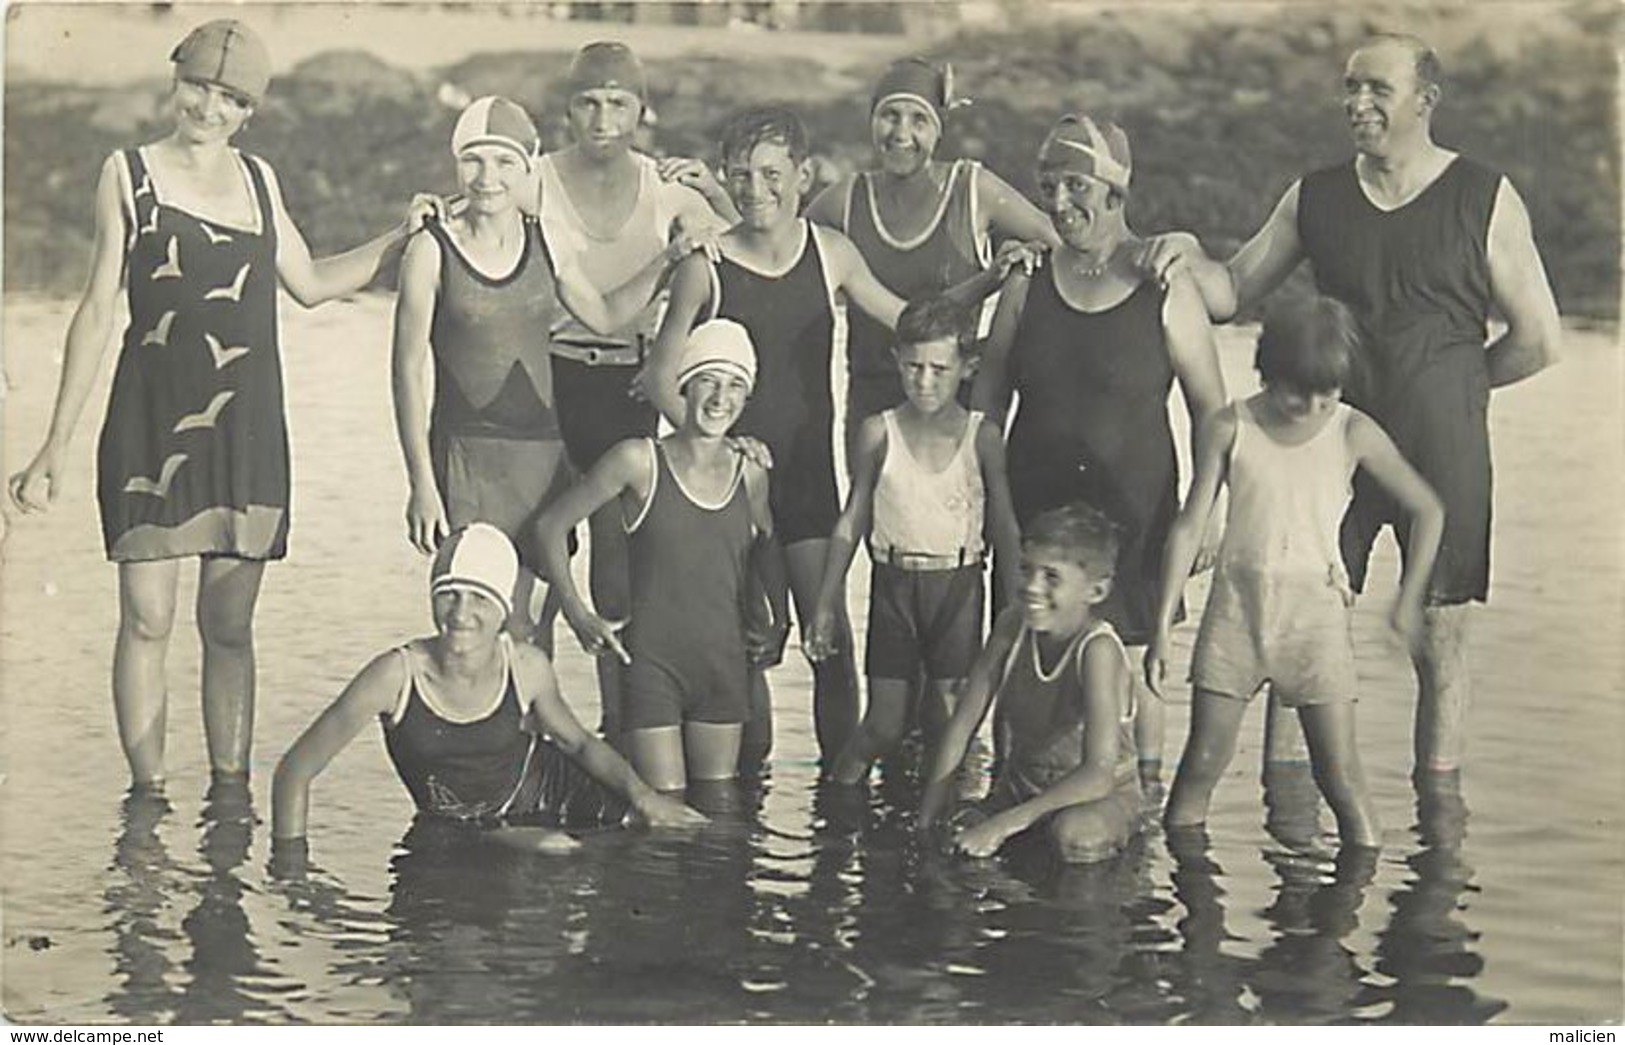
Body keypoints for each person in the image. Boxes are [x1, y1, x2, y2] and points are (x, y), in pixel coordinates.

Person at [6, 20, 442, 791]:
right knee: (146, 620)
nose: (209, 107)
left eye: (230, 98)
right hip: (147, 427)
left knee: (230, 627)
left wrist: (400, 237)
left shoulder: (259, 181)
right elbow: (97, 311)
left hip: (243, 430)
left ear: (250, 112)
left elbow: (309, 285)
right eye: (198, 87)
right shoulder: (126, 174)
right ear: (174, 82)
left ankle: (230, 797)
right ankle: (146, 801)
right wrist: (54, 446)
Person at [1139, 34, 1562, 780]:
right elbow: (1232, 290)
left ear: (1425, 103)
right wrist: (1181, 245)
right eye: (1348, 88)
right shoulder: (1316, 196)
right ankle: (1290, 846)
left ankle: (1436, 832)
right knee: (1298, 625)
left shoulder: (1484, 198)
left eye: (1375, 89)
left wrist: (1455, 388)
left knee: (1441, 641)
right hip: (1323, 447)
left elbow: (1537, 339)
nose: (1355, 104)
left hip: (1443, 451)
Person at [391, 95, 712, 644]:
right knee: (469, 624)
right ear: (455, 164)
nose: (487, 177)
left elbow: (607, 316)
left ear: (527, 166)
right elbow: (406, 371)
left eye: (504, 162)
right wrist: (421, 481)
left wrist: (672, 259)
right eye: (473, 160)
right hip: (465, 456)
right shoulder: (431, 248)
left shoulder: (547, 239)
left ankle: (538, 732)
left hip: (541, 456)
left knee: (533, 629)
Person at [972, 113, 1227, 792]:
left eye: (1075, 185)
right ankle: (1012, 797)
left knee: (1139, 676)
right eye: (1048, 185)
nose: (1058, 202)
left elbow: (1214, 415)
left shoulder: (1165, 284)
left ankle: (1136, 812)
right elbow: (987, 405)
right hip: (1034, 512)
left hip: (1135, 516)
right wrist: (995, 508)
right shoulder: (1027, 281)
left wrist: (1207, 512)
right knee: (1023, 660)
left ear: (1116, 192)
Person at [1144, 295, 1445, 849]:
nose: (1310, 407)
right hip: (1236, 614)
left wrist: (1408, 598)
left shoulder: (1353, 431)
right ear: (1265, 369)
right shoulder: (1229, 426)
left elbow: (1427, 508)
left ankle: (1347, 915)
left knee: (1341, 777)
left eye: (1325, 394)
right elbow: (1189, 526)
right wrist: (1163, 623)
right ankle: (1192, 923)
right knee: (1199, 771)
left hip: (1315, 624)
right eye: (1296, 391)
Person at [271, 523, 706, 872]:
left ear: (502, 611)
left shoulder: (526, 665)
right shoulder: (395, 676)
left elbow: (579, 743)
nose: (461, 614)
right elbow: (294, 771)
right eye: (449, 596)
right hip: (473, 829)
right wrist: (291, 872)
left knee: (687, 846)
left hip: (559, 796)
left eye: (479, 598)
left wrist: (643, 796)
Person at [535, 42, 739, 737]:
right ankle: (532, 718)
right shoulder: (534, 180)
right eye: (588, 102)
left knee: (616, 568)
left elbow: (751, 254)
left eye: (617, 103)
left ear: (639, 110)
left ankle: (619, 723)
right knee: (536, 561)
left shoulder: (664, 185)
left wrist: (714, 195)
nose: (602, 117)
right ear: (566, 109)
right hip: (546, 372)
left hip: (627, 380)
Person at [536, 320, 784, 795]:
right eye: (709, 380)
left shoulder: (750, 472)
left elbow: (766, 544)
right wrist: (578, 614)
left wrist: (778, 621)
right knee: (661, 819)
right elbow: (551, 528)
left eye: (735, 386)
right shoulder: (637, 461)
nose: (719, 398)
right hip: (652, 665)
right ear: (684, 387)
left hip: (721, 664)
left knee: (717, 810)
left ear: (746, 397)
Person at [806, 296, 1021, 785]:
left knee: (948, 719)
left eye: (939, 370)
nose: (924, 381)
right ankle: (838, 813)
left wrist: (1015, 605)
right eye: (914, 367)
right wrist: (824, 601)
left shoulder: (982, 436)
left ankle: (934, 828)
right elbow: (852, 518)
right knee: (883, 724)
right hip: (894, 586)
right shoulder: (877, 432)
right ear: (897, 361)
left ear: (966, 367)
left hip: (959, 585)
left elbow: (1004, 525)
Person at [803, 57, 1058, 454]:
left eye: (918, 120)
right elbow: (777, 251)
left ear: (938, 132)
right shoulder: (844, 200)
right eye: (889, 115)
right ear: (871, 121)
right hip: (873, 412)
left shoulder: (973, 189)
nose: (902, 133)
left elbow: (1062, 243)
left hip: (954, 408)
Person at [918, 503, 1145, 864]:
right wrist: (926, 820)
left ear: (1096, 591)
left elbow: (1098, 774)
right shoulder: (1010, 627)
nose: (1031, 587)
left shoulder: (1098, 649)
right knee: (950, 833)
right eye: (1026, 570)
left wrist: (1001, 826)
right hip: (1022, 790)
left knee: (1075, 837)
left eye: (1051, 577)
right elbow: (961, 727)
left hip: (1098, 799)